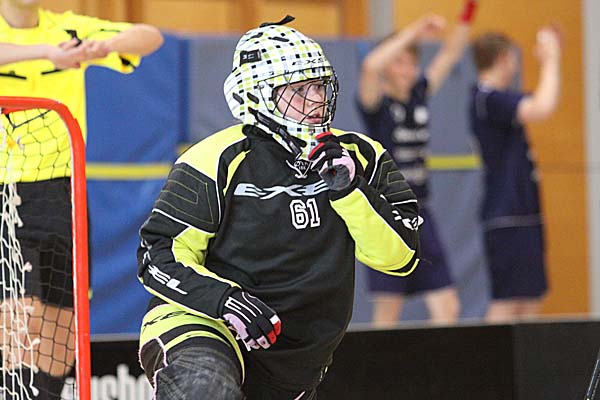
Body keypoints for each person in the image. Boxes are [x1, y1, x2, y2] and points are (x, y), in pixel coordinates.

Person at [136, 16, 421, 400]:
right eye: (298, 90)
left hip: (296, 357)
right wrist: (225, 300)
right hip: (204, 322)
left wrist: (350, 190)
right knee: (205, 390)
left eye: (318, 86)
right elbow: (157, 256)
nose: (316, 100)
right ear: (256, 95)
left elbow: (400, 259)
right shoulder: (213, 159)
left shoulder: (363, 155)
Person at [0, 1, 163, 398]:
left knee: (64, 315)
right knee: (18, 313)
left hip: (61, 190)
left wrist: (104, 46)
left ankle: (46, 394)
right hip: (6, 190)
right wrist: (47, 53)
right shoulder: (45, 43)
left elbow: (149, 37)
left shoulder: (68, 28)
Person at [356, 1, 478, 326]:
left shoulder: (418, 95)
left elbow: (450, 54)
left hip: (420, 212)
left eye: (412, 63)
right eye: (400, 63)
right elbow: (370, 65)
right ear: (388, 67)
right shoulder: (376, 104)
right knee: (388, 312)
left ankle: (442, 360)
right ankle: (380, 362)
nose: (408, 70)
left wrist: (469, 11)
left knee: (447, 307)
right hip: (387, 215)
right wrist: (415, 30)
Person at [469, 27, 561, 322]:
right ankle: (486, 355)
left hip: (524, 211)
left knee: (530, 299)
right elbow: (541, 108)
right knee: (507, 303)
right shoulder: (488, 98)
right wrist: (551, 59)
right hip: (506, 213)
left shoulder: (500, 99)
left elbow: (541, 102)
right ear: (503, 58)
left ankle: (527, 355)